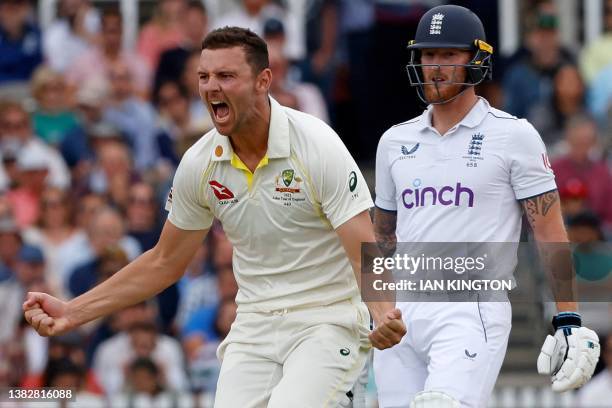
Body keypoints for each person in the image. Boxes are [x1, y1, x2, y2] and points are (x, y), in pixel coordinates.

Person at [23, 26, 406, 407]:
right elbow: (164, 261)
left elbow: (363, 253)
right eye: (204, 77)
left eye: (226, 76)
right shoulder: (199, 163)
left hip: (327, 323)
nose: (210, 87)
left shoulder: (317, 144)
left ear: (263, 80)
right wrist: (73, 312)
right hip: (254, 325)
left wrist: (383, 313)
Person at [373, 5, 600, 407]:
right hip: (401, 315)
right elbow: (382, 239)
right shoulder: (393, 141)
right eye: (428, 54)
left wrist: (568, 317)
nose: (435, 66)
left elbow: (549, 232)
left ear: (477, 59)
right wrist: (371, 311)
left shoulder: (514, 135)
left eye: (449, 55)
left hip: (470, 310)